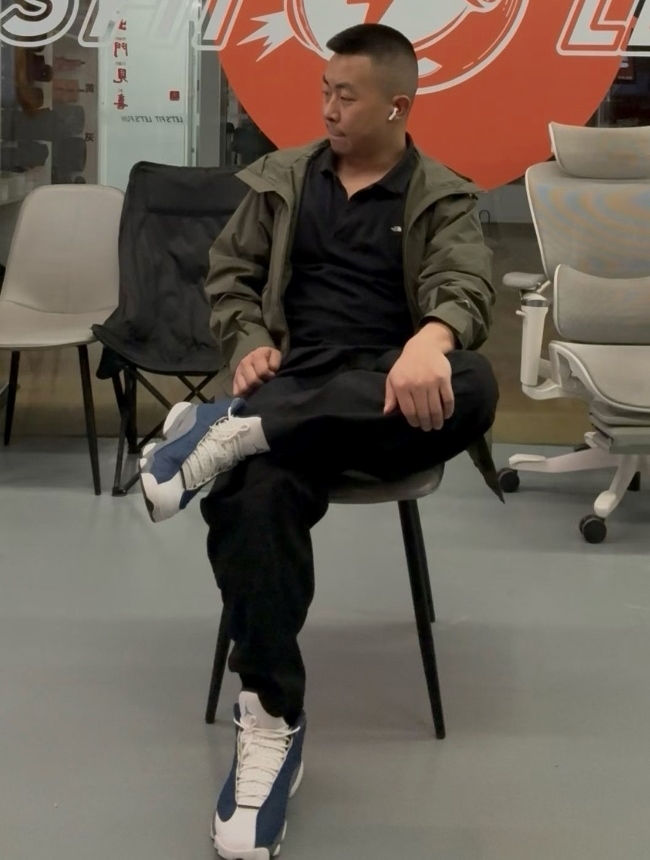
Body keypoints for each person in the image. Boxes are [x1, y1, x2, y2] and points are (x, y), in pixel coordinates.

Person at [139, 22, 500, 860]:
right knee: (250, 496)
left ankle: (235, 431)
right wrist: (246, 343)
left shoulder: (439, 195)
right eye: (324, 92)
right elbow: (229, 277)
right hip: (295, 383)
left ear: (397, 106)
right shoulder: (283, 182)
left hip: (390, 401)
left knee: (476, 383)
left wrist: (431, 339)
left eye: (346, 96)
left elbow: (466, 281)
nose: (328, 109)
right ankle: (272, 716)